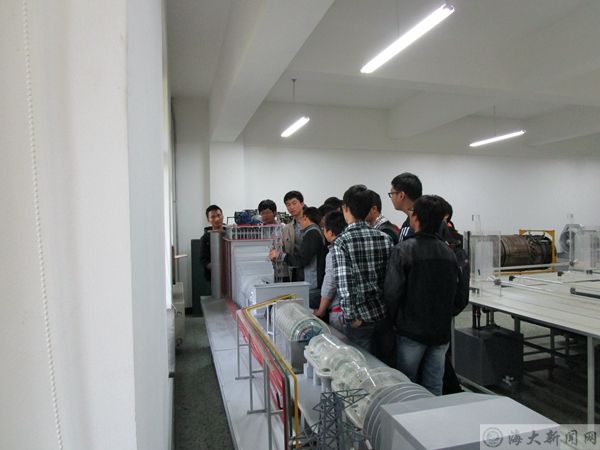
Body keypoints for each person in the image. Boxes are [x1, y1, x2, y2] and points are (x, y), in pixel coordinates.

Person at [383, 195, 469, 395]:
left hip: (411, 331)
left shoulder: (403, 250)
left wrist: (393, 322)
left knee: (407, 385)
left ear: (415, 218)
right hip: (441, 331)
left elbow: (392, 293)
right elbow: (460, 295)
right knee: (434, 384)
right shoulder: (450, 253)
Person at [331, 185, 394, 357]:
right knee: (385, 365)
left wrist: (352, 318)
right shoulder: (385, 238)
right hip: (383, 315)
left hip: (360, 320)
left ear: (345, 208)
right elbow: (391, 280)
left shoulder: (342, 242)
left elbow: (345, 286)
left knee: (363, 366)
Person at [270, 207, 326, 308]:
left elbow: (302, 260)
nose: (299, 224)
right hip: (312, 284)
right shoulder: (313, 232)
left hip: (312, 285)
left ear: (306, 218)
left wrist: (280, 255)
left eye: (300, 220)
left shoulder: (312, 233)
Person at [313, 210, 347, 331]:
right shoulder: (352, 245)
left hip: (340, 313)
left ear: (330, 232)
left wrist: (321, 311)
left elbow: (330, 283)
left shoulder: (334, 252)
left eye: (324, 228)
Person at [388, 172, 422, 241]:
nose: (391, 198)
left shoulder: (410, 227)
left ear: (401, 195)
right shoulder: (431, 218)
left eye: (392, 193)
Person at [281, 191, 306, 281]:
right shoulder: (286, 228)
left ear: (302, 204)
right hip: (294, 272)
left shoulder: (312, 224)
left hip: (310, 271)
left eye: (294, 203)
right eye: (288, 205)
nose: (291, 207)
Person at [200, 204, 224, 281]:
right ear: (208, 220)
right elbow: (204, 260)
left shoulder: (231, 232)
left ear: (223, 216)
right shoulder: (205, 238)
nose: (217, 219)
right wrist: (216, 268)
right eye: (213, 217)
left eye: (219, 215)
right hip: (214, 276)